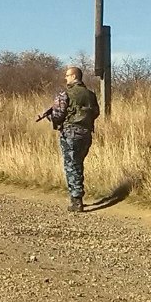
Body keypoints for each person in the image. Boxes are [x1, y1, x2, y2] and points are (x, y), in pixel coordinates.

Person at [37, 66, 100, 212]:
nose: (65, 78)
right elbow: (96, 112)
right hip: (86, 134)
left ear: (74, 76)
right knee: (78, 164)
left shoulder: (65, 94)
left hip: (70, 134)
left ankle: (76, 200)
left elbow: (58, 116)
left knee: (71, 166)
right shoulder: (91, 95)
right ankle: (77, 196)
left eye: (67, 75)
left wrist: (50, 117)